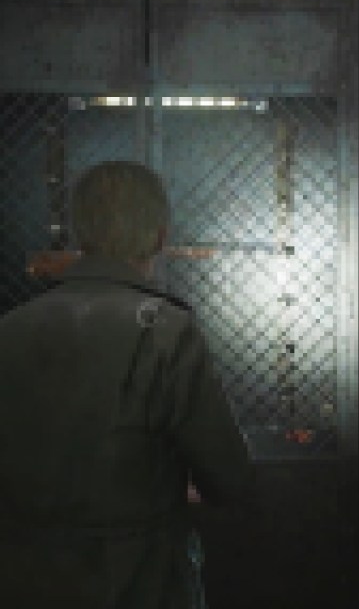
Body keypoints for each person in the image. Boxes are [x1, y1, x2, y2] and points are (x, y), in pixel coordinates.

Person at [0, 160, 254, 609]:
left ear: (80, 232)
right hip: (138, 578)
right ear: (158, 236)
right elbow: (228, 477)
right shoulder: (167, 331)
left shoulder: (11, 328)